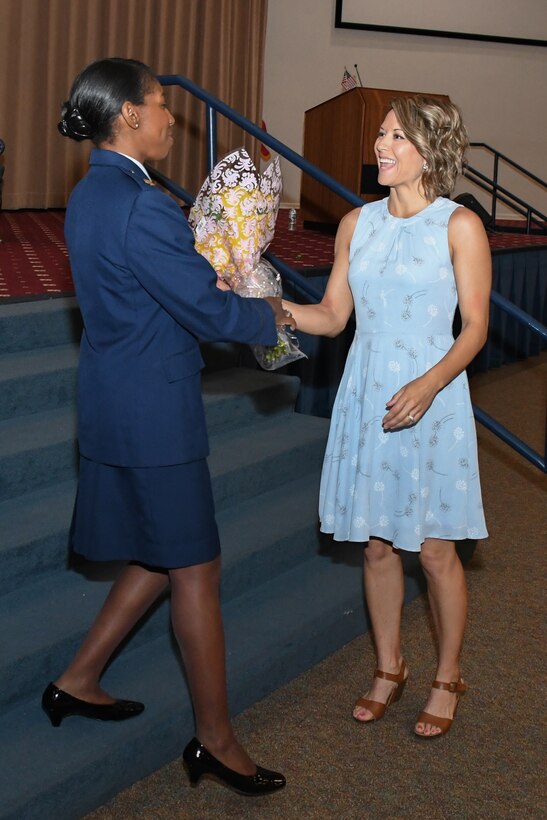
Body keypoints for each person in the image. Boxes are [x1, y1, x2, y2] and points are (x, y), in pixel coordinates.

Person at [41, 57, 293, 794]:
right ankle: (215, 741)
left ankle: (79, 679)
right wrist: (266, 310)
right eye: (159, 105)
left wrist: (199, 274)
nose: (170, 118)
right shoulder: (142, 203)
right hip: (154, 412)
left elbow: (149, 287)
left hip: (117, 395)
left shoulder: (92, 192)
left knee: (158, 554)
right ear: (127, 115)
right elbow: (210, 314)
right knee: (196, 567)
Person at [283, 95, 491, 738]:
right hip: (368, 392)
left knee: (433, 550)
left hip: (434, 395)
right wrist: (267, 307)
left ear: (431, 151)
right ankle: (389, 666)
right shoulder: (356, 223)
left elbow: (476, 328)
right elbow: (333, 318)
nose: (381, 145)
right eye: (381, 133)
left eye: (397, 137)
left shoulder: (459, 226)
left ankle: (448, 673)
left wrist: (428, 384)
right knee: (376, 544)